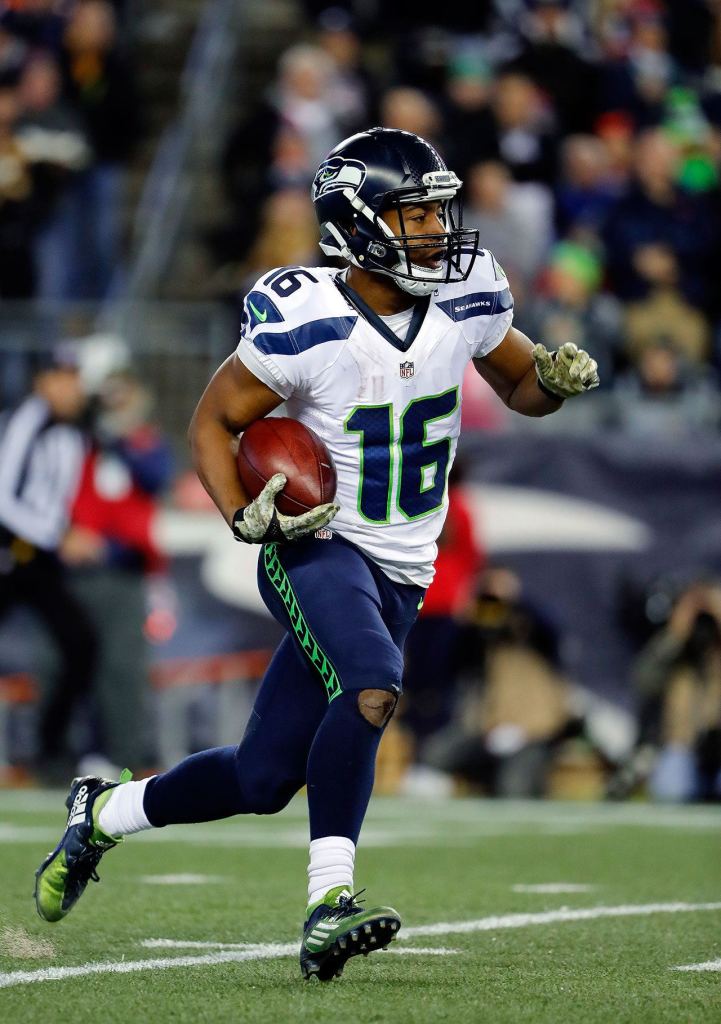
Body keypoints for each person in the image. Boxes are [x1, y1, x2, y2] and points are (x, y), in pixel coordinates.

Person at [34, 127, 599, 980]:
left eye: (436, 213)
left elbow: (518, 385)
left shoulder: (465, 293)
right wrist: (244, 517)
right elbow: (213, 422)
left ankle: (104, 813)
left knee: (262, 778)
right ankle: (328, 902)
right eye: (412, 216)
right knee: (371, 684)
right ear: (356, 225)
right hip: (316, 542)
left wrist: (549, 383)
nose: (436, 231)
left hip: (404, 568)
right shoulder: (309, 318)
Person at [0, 345, 96, 775]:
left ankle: (48, 749)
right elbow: (3, 497)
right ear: (42, 383)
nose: (71, 388)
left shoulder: (75, 431)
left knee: (80, 643)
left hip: (41, 558)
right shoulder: (26, 420)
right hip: (11, 549)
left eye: (75, 379)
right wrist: (58, 535)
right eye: (62, 378)